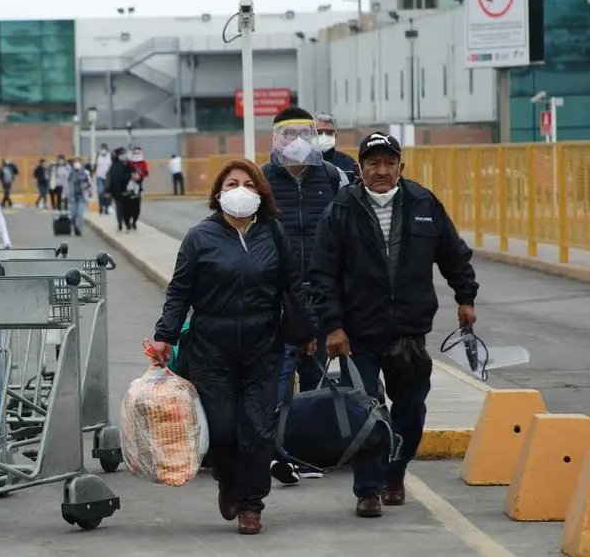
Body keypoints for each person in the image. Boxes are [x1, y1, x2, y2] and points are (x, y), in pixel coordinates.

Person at [308, 131, 479, 518]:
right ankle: (368, 488)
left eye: (389, 163)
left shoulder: (423, 203)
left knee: (411, 410)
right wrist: (333, 326)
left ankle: (395, 472)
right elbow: (323, 275)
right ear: (360, 168)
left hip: (408, 331)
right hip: (358, 335)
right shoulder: (341, 209)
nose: (381, 171)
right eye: (373, 163)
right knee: (363, 411)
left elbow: (454, 254)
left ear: (401, 166)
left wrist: (465, 297)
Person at [149, 159, 315, 536]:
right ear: (218, 194)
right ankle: (227, 480)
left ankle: (251, 504)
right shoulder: (199, 237)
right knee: (221, 430)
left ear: (260, 193)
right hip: (211, 350)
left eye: (248, 184)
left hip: (263, 348)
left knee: (257, 431)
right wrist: (165, 335)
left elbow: (293, 285)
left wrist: (308, 328)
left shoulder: (274, 234)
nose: (240, 190)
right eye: (231, 183)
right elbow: (179, 292)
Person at [261, 106, 348, 485]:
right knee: (278, 380)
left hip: (322, 298)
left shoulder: (331, 178)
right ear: (276, 139)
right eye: (288, 134)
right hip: (280, 302)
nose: (296, 142)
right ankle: (275, 453)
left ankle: (306, 449)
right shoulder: (261, 182)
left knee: (314, 383)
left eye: (304, 133)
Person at [314, 112, 358, 183]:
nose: (324, 136)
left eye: (329, 133)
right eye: (319, 132)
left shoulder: (348, 162)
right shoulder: (303, 164)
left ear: (335, 136)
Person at [63, 160, 94, 236]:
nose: (77, 171)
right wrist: (64, 195)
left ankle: (79, 229)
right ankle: (74, 227)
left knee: (80, 214)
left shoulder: (86, 173)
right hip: (73, 197)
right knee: (73, 214)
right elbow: (66, 185)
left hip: (82, 197)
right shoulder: (70, 174)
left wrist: (89, 191)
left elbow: (91, 184)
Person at [94, 143, 113, 215]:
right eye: (101, 149)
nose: (103, 151)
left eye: (104, 149)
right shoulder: (98, 156)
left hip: (108, 177)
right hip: (99, 177)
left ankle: (108, 206)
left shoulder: (110, 156)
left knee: (108, 193)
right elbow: (95, 165)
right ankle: (101, 206)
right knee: (100, 192)